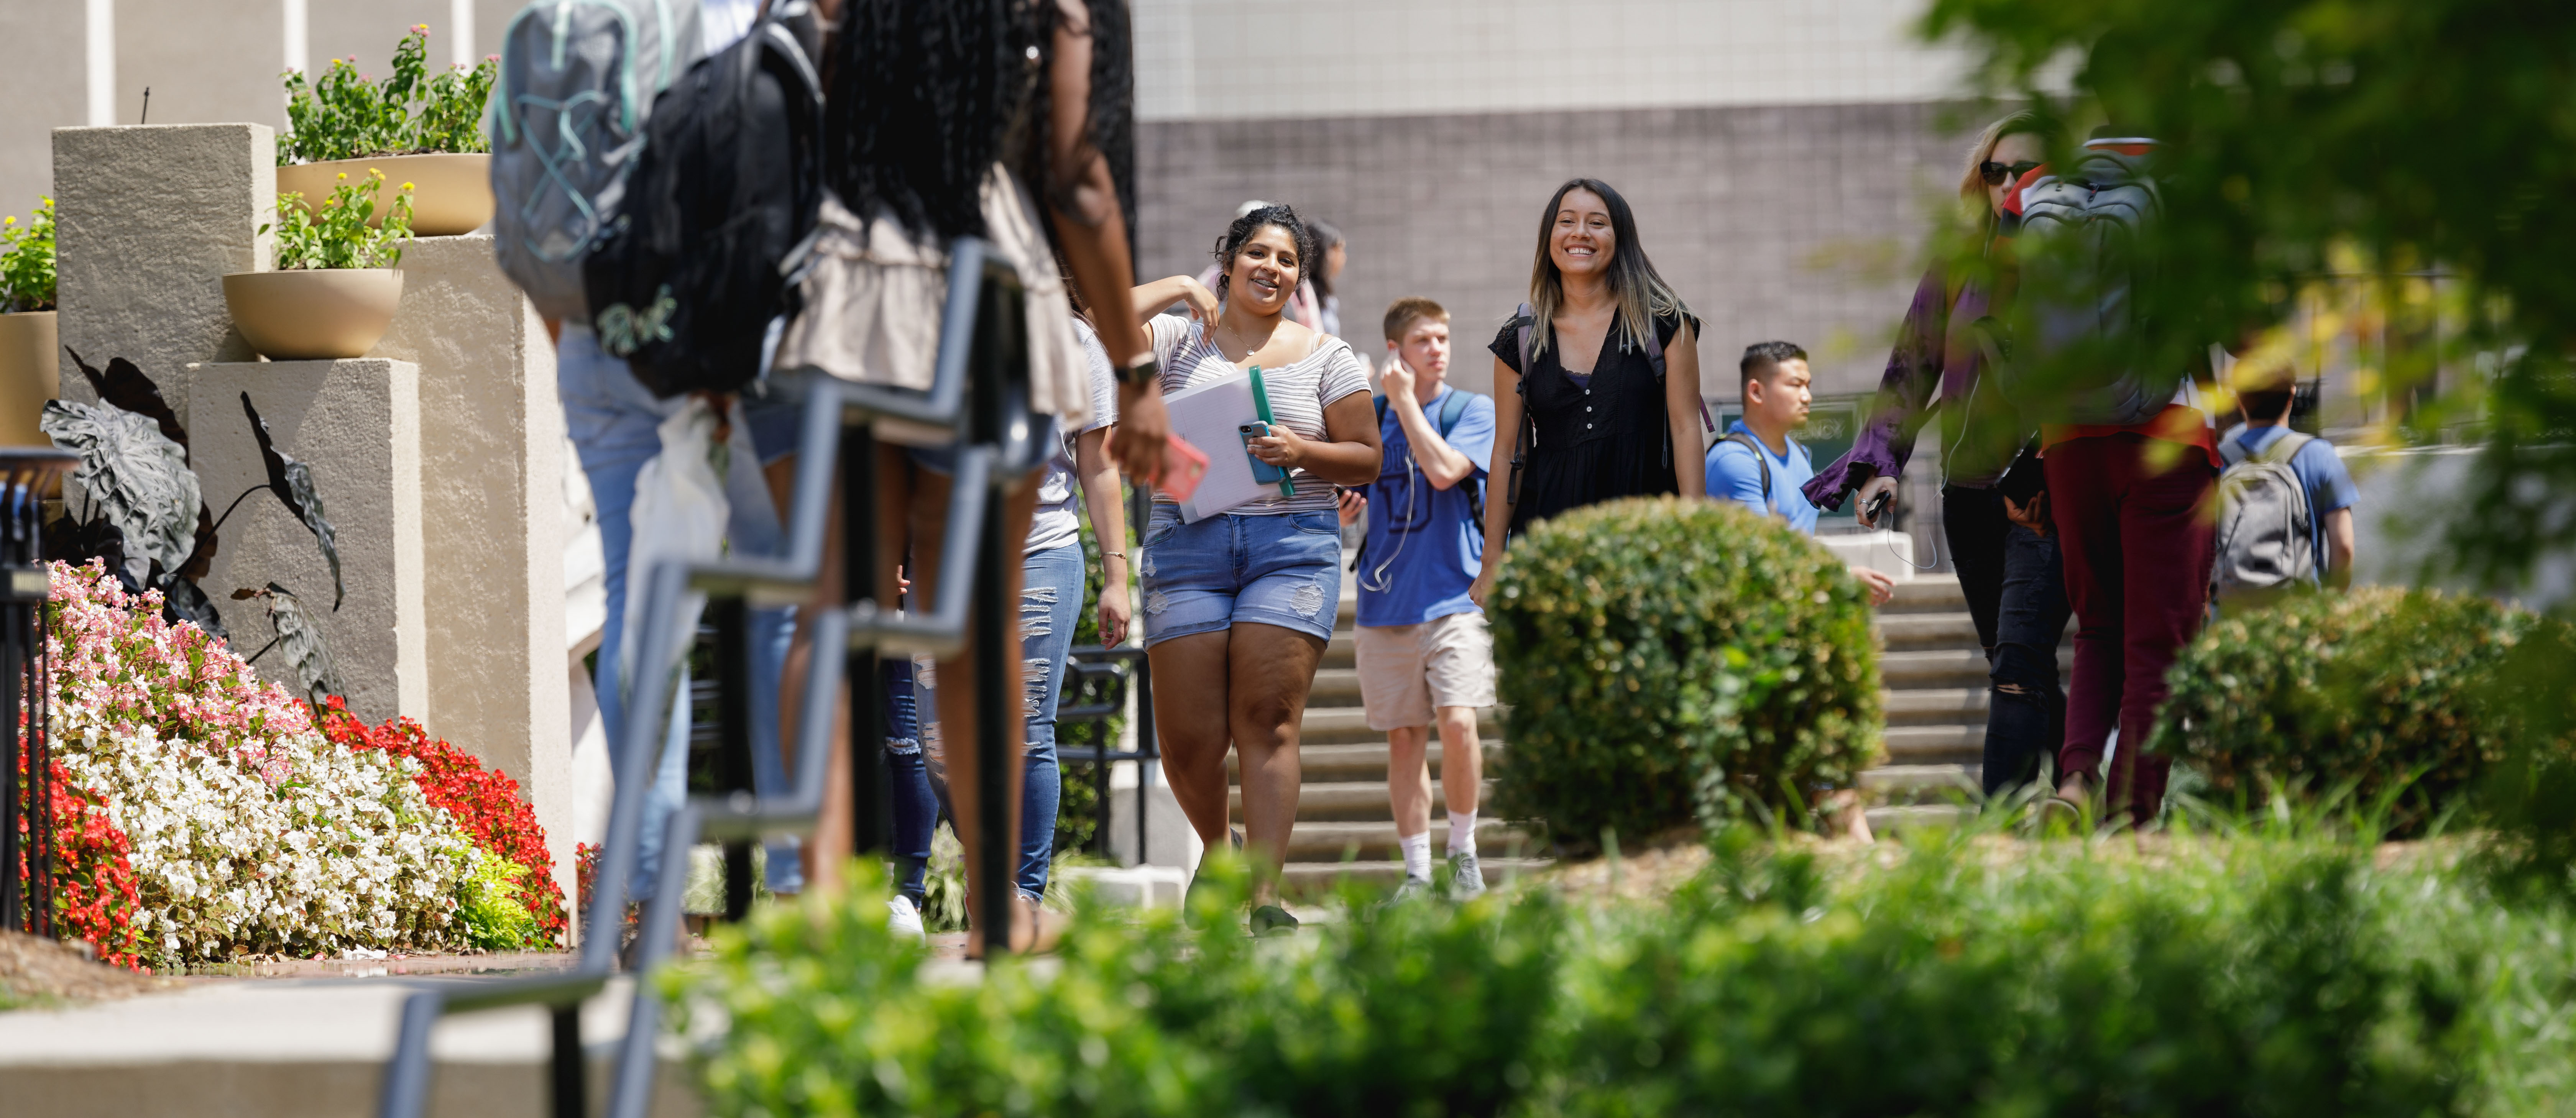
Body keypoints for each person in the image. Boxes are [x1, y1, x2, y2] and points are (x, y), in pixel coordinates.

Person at [777, 0, 1171, 956]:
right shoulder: (1051, 10)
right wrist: (1134, 367)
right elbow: (1078, 177)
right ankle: (1001, 907)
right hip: (982, 287)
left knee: (830, 607)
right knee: (977, 621)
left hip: (849, 277)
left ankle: (820, 894)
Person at [1802, 111, 2073, 799]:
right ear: (1978, 181)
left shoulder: (2077, 261)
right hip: (1969, 497)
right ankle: (2082, 796)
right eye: (1997, 170)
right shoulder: (1955, 268)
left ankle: (2000, 833)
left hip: (2045, 493)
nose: (2010, 183)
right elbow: (1909, 369)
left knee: (2017, 664)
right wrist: (1880, 466)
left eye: (2029, 169)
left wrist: (2045, 463)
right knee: (2019, 665)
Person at [1129, 203, 1381, 934]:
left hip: (1291, 543)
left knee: (1268, 721)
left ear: (1300, 277)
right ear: (1231, 260)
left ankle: (1267, 897)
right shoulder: (1177, 338)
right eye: (1259, 254)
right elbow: (1092, 316)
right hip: (1187, 540)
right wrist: (1180, 284)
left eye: (1288, 260)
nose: (1273, 269)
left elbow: (1368, 456)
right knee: (1189, 736)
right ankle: (1219, 852)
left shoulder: (1326, 355)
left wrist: (1302, 450)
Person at [2026, 136, 2218, 829]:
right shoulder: (2184, 182)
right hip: (2167, 438)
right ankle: (2132, 817)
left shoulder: (2044, 187)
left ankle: (2076, 780)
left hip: (2068, 439)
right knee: (2161, 643)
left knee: (2099, 626)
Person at [1470, 178, 1706, 607]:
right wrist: (1492, 560)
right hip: (1547, 542)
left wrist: (1697, 537)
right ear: (1549, 238)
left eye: (1597, 223)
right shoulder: (1519, 337)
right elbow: (1507, 451)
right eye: (1567, 221)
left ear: (1621, 239)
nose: (1580, 232)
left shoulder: (1666, 323)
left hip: (1648, 538)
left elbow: (1688, 428)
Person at [1336, 297, 1496, 901]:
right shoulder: (1368, 417)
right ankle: (1417, 872)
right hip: (1385, 601)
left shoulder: (1470, 409)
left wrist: (1405, 403)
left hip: (1455, 596)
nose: (1437, 349)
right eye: (1424, 340)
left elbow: (1444, 469)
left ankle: (1463, 851)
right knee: (1403, 738)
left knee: (1458, 724)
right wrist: (1342, 504)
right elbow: (1342, 492)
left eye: (1442, 339)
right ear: (1396, 350)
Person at [1709, 341, 1897, 605]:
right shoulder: (1734, 461)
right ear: (1756, 391)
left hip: (1792, 608)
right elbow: (1761, 559)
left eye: (1808, 386)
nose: (1807, 396)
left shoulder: (1800, 454)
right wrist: (1840, 576)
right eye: (1795, 385)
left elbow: (1797, 542)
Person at [2214, 369, 2357, 598]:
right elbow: (2344, 547)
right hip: (2300, 609)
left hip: (2232, 611)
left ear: (2240, 400)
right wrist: (2331, 603)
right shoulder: (2320, 455)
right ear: (2292, 395)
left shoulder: (2217, 461)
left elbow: (2198, 547)